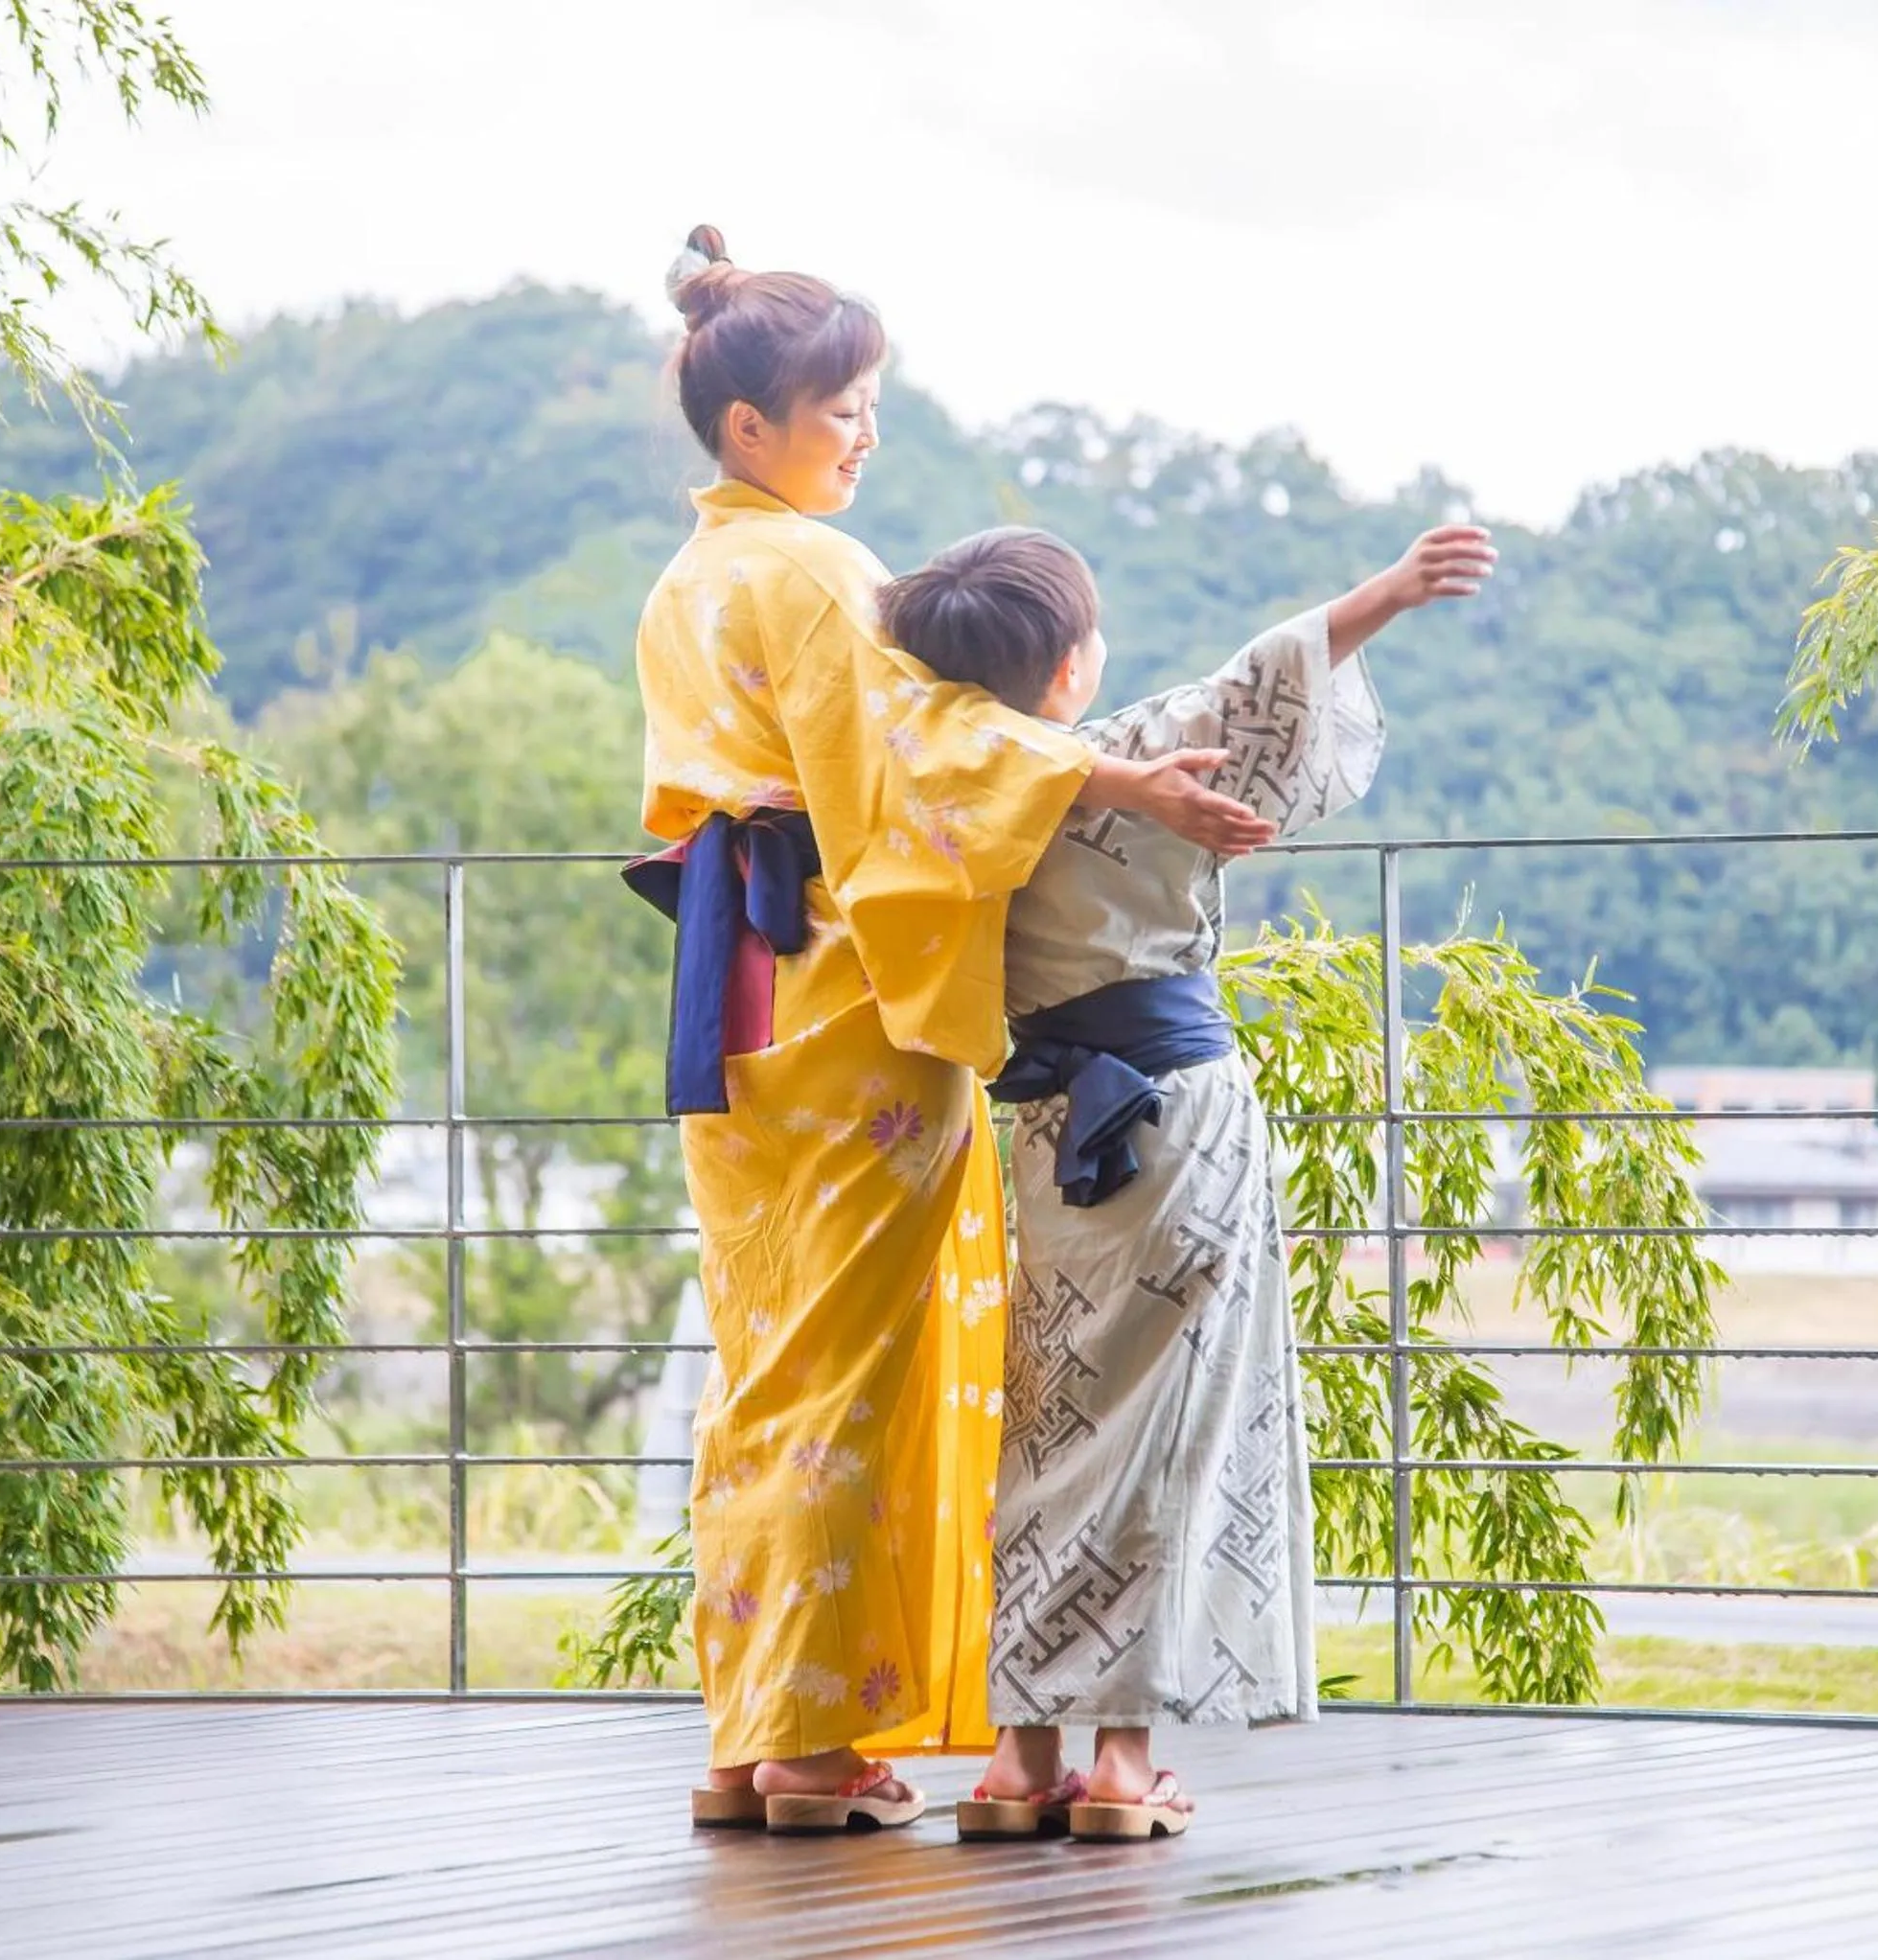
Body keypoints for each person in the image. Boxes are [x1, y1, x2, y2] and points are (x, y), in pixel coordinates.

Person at [629, 227, 1277, 1835]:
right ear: (748, 430)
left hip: (737, 999)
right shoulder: (810, 571)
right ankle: (803, 1748)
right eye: (840, 409)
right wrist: (1106, 775)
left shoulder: (691, 578)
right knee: (847, 1364)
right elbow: (916, 753)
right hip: (844, 992)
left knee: (768, 1358)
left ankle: (744, 1735)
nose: (862, 436)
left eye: (866, 407)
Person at [874, 519, 1494, 1842]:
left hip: (1037, 1128)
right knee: (1164, 1426)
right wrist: (1385, 592)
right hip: (1176, 1120)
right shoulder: (1143, 753)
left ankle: (1015, 1760)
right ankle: (1117, 1764)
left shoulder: (938, 781)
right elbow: (1264, 684)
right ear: (1066, 670)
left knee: (1044, 1418)